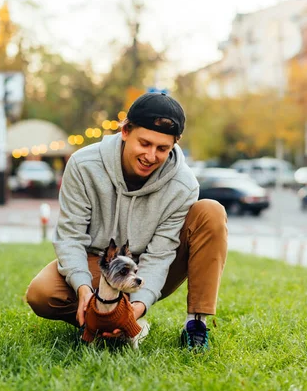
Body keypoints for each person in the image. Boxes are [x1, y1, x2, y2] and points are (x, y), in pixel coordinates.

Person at [26, 92, 227, 350]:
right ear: (125, 131)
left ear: (174, 145)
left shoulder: (183, 185)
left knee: (210, 211)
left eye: (162, 148)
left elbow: (161, 254)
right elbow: (71, 236)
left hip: (147, 269)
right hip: (100, 264)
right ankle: (101, 318)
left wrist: (138, 306)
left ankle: (195, 324)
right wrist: (83, 287)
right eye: (144, 143)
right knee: (41, 294)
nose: (151, 156)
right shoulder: (83, 165)